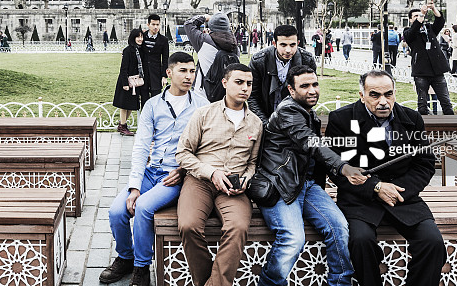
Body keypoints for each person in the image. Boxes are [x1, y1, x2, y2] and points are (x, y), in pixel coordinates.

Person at [326, 70, 446, 286]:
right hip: (360, 200)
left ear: (395, 93)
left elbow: (424, 165)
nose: (383, 101)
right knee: (360, 242)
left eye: (388, 94)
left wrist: (396, 191)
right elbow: (337, 169)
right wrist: (376, 187)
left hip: (402, 198)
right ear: (361, 95)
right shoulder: (341, 120)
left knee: (433, 243)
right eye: (374, 95)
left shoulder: (412, 119)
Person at [101, 52, 210, 286]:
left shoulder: (202, 105)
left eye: (192, 71)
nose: (189, 76)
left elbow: (208, 146)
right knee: (116, 211)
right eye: (183, 70)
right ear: (169, 73)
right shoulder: (152, 105)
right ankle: (125, 257)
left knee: (143, 207)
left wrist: (183, 170)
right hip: (151, 171)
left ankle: (142, 267)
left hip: (177, 176)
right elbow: (141, 147)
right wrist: (134, 186)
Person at [255, 65, 367, 286]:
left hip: (305, 185)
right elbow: (312, 143)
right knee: (293, 240)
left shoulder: (307, 112)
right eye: (304, 86)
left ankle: (340, 282)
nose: (312, 90)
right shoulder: (288, 111)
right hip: (281, 186)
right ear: (290, 89)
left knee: (339, 228)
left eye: (315, 84)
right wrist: (343, 167)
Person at [176, 64, 262, 286]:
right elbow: (183, 153)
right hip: (200, 180)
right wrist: (211, 172)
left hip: (234, 188)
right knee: (188, 225)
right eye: (239, 82)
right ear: (224, 83)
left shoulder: (256, 123)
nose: (245, 88)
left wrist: (246, 179)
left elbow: (253, 163)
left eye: (249, 84)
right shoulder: (204, 114)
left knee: (239, 227)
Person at [247, 24, 317, 123]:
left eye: (292, 45)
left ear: (298, 43)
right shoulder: (259, 61)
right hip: (265, 116)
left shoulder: (306, 59)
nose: (288, 50)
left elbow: (310, 93)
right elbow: (252, 95)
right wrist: (265, 124)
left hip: (295, 118)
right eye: (283, 45)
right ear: (274, 43)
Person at [404, 4, 454, 115]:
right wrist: (421, 15)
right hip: (421, 71)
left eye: (420, 15)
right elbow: (413, 31)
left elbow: (440, 21)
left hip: (437, 70)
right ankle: (424, 128)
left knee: (446, 101)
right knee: (422, 103)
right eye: (415, 16)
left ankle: (452, 127)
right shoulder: (408, 31)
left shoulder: (429, 28)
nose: (418, 17)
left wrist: (433, 8)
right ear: (410, 19)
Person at [184, 12, 239, 100]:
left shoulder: (204, 41)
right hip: (226, 96)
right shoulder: (235, 46)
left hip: (203, 95)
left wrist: (204, 17)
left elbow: (189, 24)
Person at [113, 28, 148, 136]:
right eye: (138, 37)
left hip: (136, 82)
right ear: (133, 38)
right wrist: (125, 84)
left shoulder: (141, 50)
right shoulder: (128, 50)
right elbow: (123, 68)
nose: (140, 39)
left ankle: (121, 125)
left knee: (131, 105)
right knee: (124, 105)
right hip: (127, 81)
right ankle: (123, 126)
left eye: (141, 37)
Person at [142, 14, 169, 101]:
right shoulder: (141, 37)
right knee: (144, 100)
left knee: (156, 100)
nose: (155, 27)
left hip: (156, 74)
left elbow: (165, 59)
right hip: (142, 74)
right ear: (148, 25)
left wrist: (164, 76)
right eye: (153, 24)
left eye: (157, 25)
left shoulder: (163, 40)